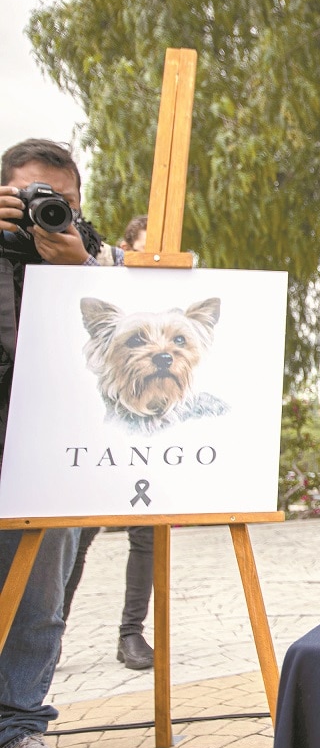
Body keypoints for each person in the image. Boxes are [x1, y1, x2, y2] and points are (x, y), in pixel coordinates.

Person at [0, 139, 125, 748]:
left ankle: (18, 732)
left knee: (38, 597)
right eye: (29, 200)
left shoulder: (98, 256)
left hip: (52, 452)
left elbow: (141, 327)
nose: (45, 212)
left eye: (62, 203)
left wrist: (81, 270)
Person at [60, 214, 155, 672]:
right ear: (126, 246)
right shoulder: (100, 281)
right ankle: (50, 630)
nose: (159, 251)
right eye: (148, 242)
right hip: (100, 431)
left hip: (156, 438)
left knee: (148, 538)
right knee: (75, 535)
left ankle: (131, 633)